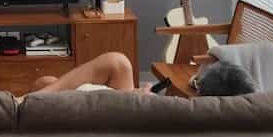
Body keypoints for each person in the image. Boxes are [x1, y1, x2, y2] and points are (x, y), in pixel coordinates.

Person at [24, 55, 255, 97]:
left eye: (196, 81)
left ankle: (24, 102)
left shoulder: (174, 116)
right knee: (45, 83)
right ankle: (44, 94)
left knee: (118, 61)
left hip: (111, 117)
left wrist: (142, 98)